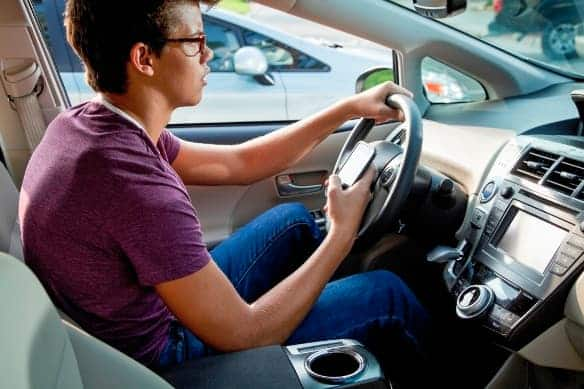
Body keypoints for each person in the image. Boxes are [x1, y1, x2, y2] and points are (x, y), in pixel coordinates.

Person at [19, 0, 429, 378]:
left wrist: (348, 107)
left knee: (294, 223)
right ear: (144, 58)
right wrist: (340, 235)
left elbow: (238, 163)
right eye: (195, 41)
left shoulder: (92, 126)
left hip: (142, 315)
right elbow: (245, 334)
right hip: (162, 355)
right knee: (386, 295)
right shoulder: (135, 186)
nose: (209, 54)